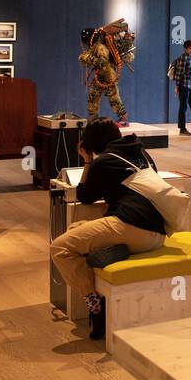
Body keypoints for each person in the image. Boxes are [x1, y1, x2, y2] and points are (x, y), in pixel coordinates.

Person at [49, 118, 166, 340]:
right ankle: (112, 251)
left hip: (130, 226)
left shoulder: (103, 161)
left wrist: (87, 160)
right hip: (157, 233)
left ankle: (95, 305)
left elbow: (84, 196)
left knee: (60, 248)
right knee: (77, 228)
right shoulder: (143, 154)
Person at [168, 40, 191, 137]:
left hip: (190, 86)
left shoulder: (189, 58)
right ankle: (182, 128)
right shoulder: (183, 58)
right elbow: (179, 74)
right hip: (184, 87)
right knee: (183, 107)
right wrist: (177, 86)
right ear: (186, 48)